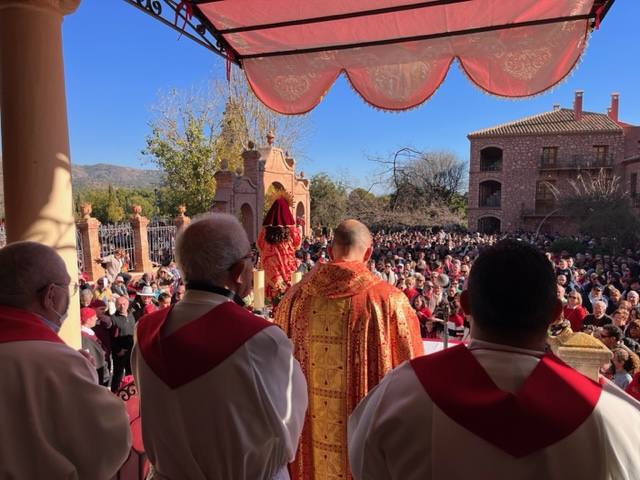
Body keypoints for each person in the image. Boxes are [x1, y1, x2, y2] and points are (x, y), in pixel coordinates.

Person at [349, 240, 640, 480]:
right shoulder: (616, 418)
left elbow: (365, 467)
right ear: (556, 313)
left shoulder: (397, 396)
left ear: (465, 304)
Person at [132, 213, 307, 479]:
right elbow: (287, 433)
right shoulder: (261, 340)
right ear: (238, 272)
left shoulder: (146, 331)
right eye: (251, 259)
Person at [275, 219, 423, 480]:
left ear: (331, 251)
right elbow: (415, 381)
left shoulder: (294, 298)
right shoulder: (390, 301)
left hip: (304, 445)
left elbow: (276, 376)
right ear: (368, 252)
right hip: (365, 453)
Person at [0, 241, 131, 478]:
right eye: (68, 288)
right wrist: (86, 376)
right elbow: (108, 446)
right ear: (51, 296)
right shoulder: (59, 364)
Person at [257, 197, 302, 303]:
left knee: (274, 300)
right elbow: (298, 245)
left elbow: (259, 246)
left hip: (271, 269)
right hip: (288, 269)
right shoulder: (291, 230)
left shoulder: (265, 231)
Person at [111, 296, 136, 392]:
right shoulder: (113, 318)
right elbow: (111, 338)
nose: (122, 306)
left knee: (130, 374)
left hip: (131, 351)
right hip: (120, 353)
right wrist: (118, 350)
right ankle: (114, 394)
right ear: (116, 305)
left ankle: (129, 393)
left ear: (128, 304)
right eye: (119, 304)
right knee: (118, 375)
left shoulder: (131, 315)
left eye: (124, 304)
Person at [80, 307, 108, 385]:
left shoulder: (89, 333)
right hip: (95, 370)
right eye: (94, 317)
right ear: (88, 320)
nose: (96, 318)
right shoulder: (83, 336)